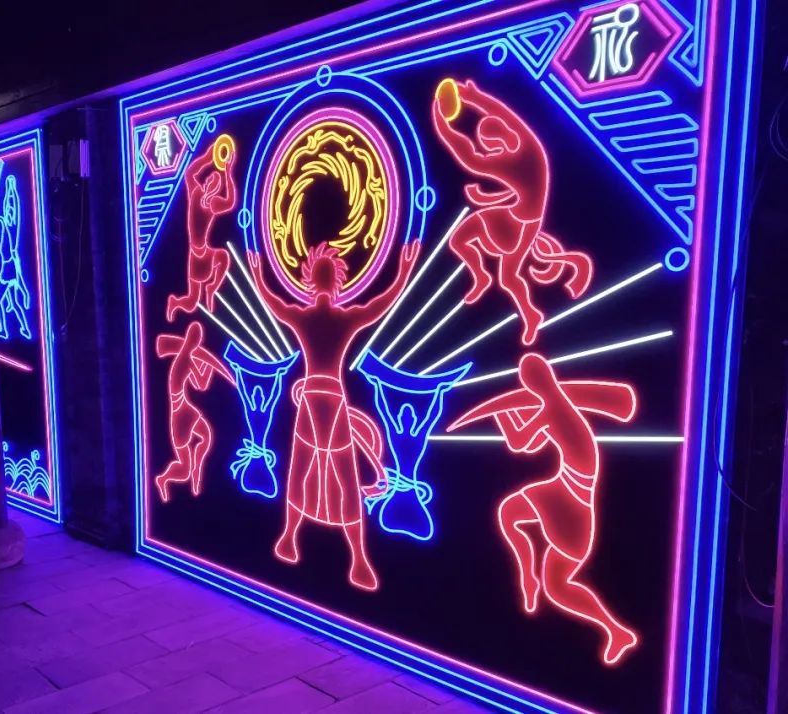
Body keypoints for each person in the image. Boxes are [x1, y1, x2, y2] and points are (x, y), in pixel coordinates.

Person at [248, 240, 419, 591]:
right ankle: (356, 558)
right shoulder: (343, 317)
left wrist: (258, 273)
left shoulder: (304, 316)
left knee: (304, 467)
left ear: (310, 279)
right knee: (341, 470)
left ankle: (291, 539)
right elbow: (381, 303)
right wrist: (402, 271)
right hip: (330, 395)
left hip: (313, 395)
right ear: (338, 279)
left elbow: (272, 301)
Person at [447, 353, 638, 664]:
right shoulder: (555, 405)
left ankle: (608, 626)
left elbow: (520, 441)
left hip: (570, 498)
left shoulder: (554, 408)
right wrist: (505, 414)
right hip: (564, 488)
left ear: (536, 380)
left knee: (552, 578)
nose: (528, 385)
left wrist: (502, 414)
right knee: (523, 533)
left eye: (529, 380)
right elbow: (527, 443)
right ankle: (611, 628)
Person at [432, 79, 592, 345]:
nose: (492, 150)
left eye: (491, 143)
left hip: (518, 224)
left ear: (501, 137)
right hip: (523, 219)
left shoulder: (513, 160)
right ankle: (523, 309)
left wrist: (442, 123)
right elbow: (502, 118)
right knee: (495, 267)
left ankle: (489, 282)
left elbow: (469, 156)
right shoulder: (528, 147)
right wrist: (474, 97)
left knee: (470, 247)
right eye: (488, 145)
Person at [154, 321, 234, 501]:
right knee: (184, 471)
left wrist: (207, 366)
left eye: (198, 339)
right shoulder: (183, 360)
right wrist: (207, 367)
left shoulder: (186, 358)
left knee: (206, 436)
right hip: (179, 415)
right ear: (192, 339)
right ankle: (163, 478)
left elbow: (200, 384)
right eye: (196, 339)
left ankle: (197, 466)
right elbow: (201, 384)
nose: (197, 343)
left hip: (186, 409)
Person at [166, 138, 236, 321]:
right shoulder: (196, 193)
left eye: (217, 183)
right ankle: (175, 302)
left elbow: (230, 202)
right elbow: (190, 173)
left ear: (217, 189)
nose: (213, 181)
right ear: (205, 182)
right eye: (211, 178)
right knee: (191, 303)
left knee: (224, 257)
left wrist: (228, 172)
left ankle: (212, 288)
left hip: (205, 252)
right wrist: (207, 157)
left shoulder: (213, 204)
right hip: (195, 256)